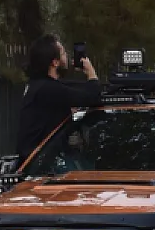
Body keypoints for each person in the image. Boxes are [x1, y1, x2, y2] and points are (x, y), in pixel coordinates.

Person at [15, 35, 104, 164]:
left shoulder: (38, 86)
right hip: (43, 165)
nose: (66, 56)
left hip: (37, 162)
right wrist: (91, 73)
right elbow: (93, 97)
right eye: (62, 53)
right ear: (55, 62)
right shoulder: (48, 89)